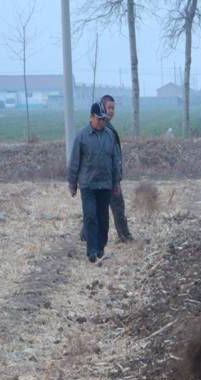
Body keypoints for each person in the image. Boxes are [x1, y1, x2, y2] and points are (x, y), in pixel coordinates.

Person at [69, 102, 121, 263]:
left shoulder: (110, 136)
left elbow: (115, 160)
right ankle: (91, 250)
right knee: (90, 216)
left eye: (103, 119)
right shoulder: (82, 137)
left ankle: (101, 245)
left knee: (103, 217)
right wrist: (72, 183)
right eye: (98, 119)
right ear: (91, 117)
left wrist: (116, 182)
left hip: (105, 184)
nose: (101, 122)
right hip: (88, 185)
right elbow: (74, 162)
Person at [80, 95, 133, 242]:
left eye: (113, 108)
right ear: (102, 109)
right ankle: (124, 236)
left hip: (104, 176)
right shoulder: (102, 130)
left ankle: (85, 235)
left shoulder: (107, 128)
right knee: (117, 206)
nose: (111, 111)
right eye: (108, 108)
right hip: (105, 177)